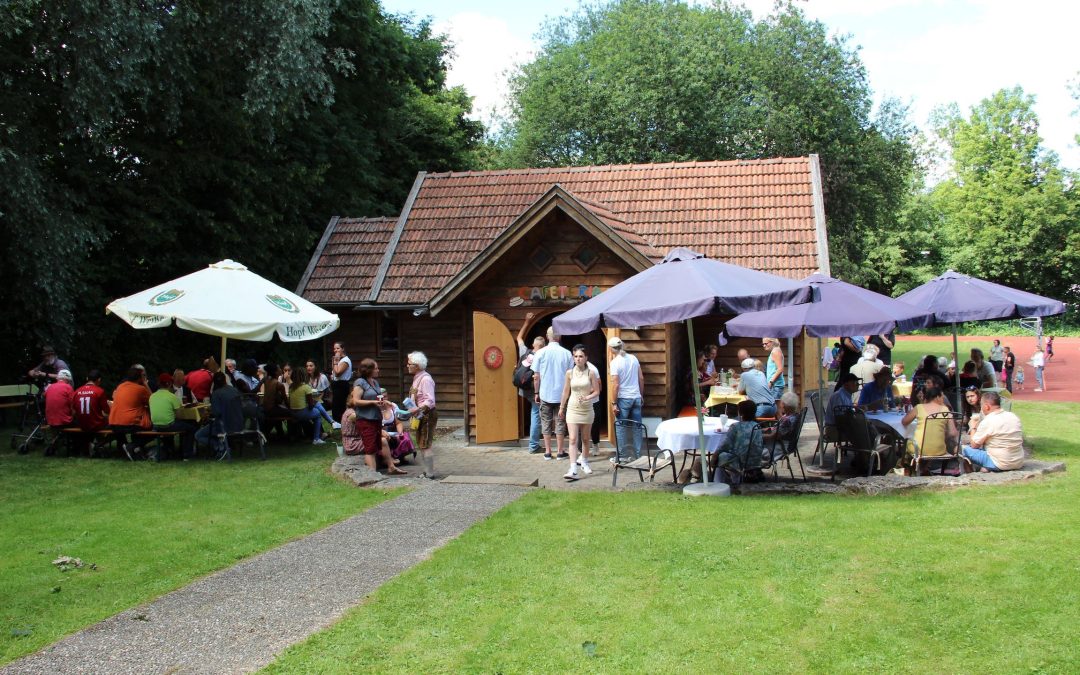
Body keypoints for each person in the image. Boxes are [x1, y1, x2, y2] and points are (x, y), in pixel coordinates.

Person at [558, 345, 600, 481]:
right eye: (576, 356)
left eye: (581, 356)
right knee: (572, 439)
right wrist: (561, 407)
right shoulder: (569, 373)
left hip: (587, 408)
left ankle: (585, 462)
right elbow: (565, 391)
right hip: (572, 408)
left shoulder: (591, 373)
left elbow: (597, 391)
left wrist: (587, 397)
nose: (578, 359)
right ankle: (573, 468)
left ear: (586, 358)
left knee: (586, 439)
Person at [532, 327, 574, 461]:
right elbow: (571, 376)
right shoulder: (567, 353)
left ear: (547, 336)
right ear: (560, 337)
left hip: (545, 392)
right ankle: (560, 451)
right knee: (560, 422)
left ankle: (548, 451)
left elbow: (536, 376)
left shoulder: (540, 353)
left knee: (546, 421)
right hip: (562, 394)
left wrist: (536, 392)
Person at [341, 389, 406, 475]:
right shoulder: (352, 414)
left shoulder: (357, 412)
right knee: (381, 441)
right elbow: (367, 427)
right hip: (353, 443)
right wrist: (380, 431)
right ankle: (383, 467)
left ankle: (390, 466)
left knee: (382, 440)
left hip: (360, 439)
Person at [961, 391, 1024, 472]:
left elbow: (974, 445)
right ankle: (986, 468)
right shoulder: (1013, 416)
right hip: (1018, 461)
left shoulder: (988, 421)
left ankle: (972, 473)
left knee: (963, 449)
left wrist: (973, 427)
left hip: (999, 462)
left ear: (986, 406)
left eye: (981, 405)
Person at [351, 358, 397, 469]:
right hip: (365, 420)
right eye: (376, 368)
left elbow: (376, 398)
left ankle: (386, 469)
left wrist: (384, 402)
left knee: (376, 446)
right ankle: (372, 476)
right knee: (370, 449)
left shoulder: (375, 382)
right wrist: (373, 402)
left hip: (376, 419)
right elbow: (355, 401)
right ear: (368, 370)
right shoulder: (360, 383)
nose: (378, 370)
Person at [900, 386, 957, 473]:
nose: (943, 399)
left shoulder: (919, 407)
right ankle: (924, 469)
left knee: (908, 442)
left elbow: (904, 422)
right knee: (930, 442)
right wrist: (944, 435)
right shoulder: (945, 410)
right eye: (942, 396)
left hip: (919, 449)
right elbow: (953, 433)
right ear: (937, 397)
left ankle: (912, 469)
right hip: (939, 450)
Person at [609, 336, 645, 461]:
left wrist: (614, 403)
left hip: (623, 398)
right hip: (636, 397)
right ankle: (638, 454)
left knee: (621, 427)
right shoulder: (633, 358)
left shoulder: (614, 363)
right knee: (637, 426)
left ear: (611, 349)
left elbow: (616, 384)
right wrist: (641, 395)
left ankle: (623, 456)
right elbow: (641, 378)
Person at [713, 399, 765, 483]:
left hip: (740, 460)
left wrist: (715, 454)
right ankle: (732, 479)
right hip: (755, 459)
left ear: (740, 413)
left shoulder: (736, 427)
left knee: (719, 456)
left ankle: (718, 482)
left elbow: (726, 444)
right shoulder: (757, 426)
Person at [516, 313, 546, 454]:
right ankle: (534, 446)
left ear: (534, 344)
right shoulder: (543, 356)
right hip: (536, 390)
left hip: (523, 389)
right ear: (544, 346)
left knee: (533, 413)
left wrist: (527, 322)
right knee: (536, 414)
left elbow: (519, 338)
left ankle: (534, 441)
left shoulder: (525, 351)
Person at [149, 373, 197, 460]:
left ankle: (170, 450)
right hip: (168, 425)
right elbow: (178, 415)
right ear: (170, 384)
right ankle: (186, 455)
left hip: (155, 426)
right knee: (191, 428)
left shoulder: (152, 396)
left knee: (178, 425)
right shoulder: (172, 396)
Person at [195, 372, 244, 457]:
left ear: (214, 383)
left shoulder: (216, 393)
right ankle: (222, 444)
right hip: (239, 424)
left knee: (198, 435)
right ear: (225, 380)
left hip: (224, 426)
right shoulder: (235, 390)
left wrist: (210, 411)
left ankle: (219, 446)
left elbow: (216, 413)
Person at [405, 351, 438, 478]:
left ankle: (429, 474)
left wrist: (417, 409)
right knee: (421, 443)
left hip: (427, 415)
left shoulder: (425, 379)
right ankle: (426, 472)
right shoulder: (417, 378)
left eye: (409, 364)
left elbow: (430, 400)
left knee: (425, 444)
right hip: (420, 415)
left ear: (417, 365)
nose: (407, 366)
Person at [109, 366, 153, 460]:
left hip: (114, 422)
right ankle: (133, 446)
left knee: (131, 425)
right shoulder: (140, 389)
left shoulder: (120, 386)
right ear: (140, 377)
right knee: (154, 429)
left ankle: (127, 449)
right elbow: (153, 402)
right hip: (129, 423)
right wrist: (145, 384)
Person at [286, 365, 333, 444]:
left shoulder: (291, 386)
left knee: (316, 406)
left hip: (293, 412)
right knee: (317, 413)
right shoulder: (306, 387)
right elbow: (311, 405)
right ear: (304, 376)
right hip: (301, 413)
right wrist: (311, 405)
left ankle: (329, 423)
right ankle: (316, 438)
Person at [42, 369, 75, 455]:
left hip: (50, 419)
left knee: (56, 430)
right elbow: (73, 405)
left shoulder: (50, 387)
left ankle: (54, 444)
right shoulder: (68, 387)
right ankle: (75, 448)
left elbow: (44, 395)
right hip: (64, 420)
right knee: (78, 424)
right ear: (67, 379)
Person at [762, 391, 800, 462]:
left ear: (784, 405)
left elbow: (773, 436)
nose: (780, 405)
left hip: (779, 447)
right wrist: (764, 430)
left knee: (752, 449)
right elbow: (776, 429)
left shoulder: (786, 420)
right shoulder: (794, 416)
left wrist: (758, 436)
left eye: (781, 403)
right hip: (786, 444)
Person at [260, 364, 291, 439]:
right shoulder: (279, 384)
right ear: (276, 372)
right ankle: (292, 435)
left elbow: (275, 398)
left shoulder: (267, 381)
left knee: (280, 411)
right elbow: (285, 400)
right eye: (279, 368)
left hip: (266, 408)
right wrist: (290, 409)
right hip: (272, 409)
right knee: (293, 414)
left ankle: (280, 433)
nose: (281, 369)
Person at [329, 341, 353, 426]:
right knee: (335, 405)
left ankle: (342, 423)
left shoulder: (345, 360)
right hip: (336, 384)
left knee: (339, 406)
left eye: (338, 348)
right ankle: (338, 424)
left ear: (343, 349)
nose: (335, 350)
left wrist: (335, 361)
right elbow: (334, 371)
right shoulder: (339, 359)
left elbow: (338, 372)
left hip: (341, 385)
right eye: (334, 348)